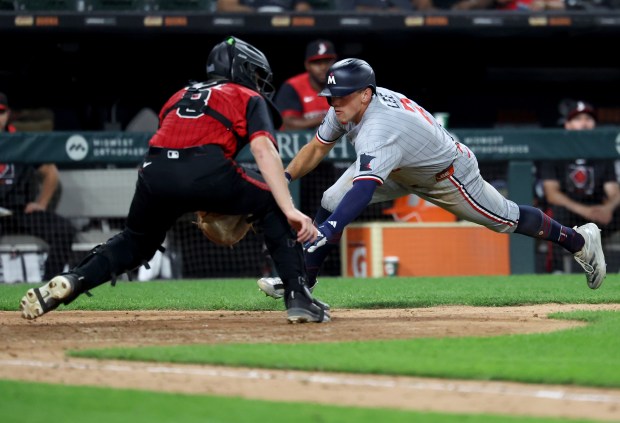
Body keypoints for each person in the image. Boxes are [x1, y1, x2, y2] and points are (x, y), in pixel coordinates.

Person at [19, 36, 330, 324]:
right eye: (257, 75)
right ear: (242, 70)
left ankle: (73, 280)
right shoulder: (247, 95)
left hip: (153, 171)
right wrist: (288, 208)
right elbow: (263, 149)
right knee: (272, 205)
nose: (260, 84)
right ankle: (298, 296)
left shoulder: (179, 94)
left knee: (135, 241)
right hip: (206, 166)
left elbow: (174, 144)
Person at [257, 58, 607, 300]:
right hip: (398, 166)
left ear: (366, 93)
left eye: (342, 96)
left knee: (506, 219)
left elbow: (364, 190)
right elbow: (317, 148)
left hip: (446, 174)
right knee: (332, 198)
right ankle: (303, 282)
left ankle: (579, 241)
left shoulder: (379, 128)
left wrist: (330, 229)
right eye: (331, 97)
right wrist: (284, 176)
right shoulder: (347, 105)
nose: (334, 104)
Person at [0, 92, 77, 281]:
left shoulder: (21, 141)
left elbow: (50, 172)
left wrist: (41, 204)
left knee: (64, 229)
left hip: (21, 211)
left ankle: (50, 286)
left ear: (8, 114)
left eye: (0, 112)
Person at [537, 99, 620, 273]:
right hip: (569, 213)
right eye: (578, 119)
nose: (584, 123)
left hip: (598, 213)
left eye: (589, 119)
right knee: (553, 216)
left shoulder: (602, 153)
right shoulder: (555, 151)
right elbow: (552, 194)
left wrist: (607, 209)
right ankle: (556, 270)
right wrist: (585, 211)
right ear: (567, 124)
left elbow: (614, 191)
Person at [274, 39, 337, 131]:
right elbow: (288, 124)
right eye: (317, 63)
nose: (323, 67)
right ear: (307, 65)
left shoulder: (346, 84)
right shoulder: (293, 86)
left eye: (327, 61)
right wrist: (327, 119)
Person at [216, 0, 312, 12]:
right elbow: (224, 5)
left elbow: (304, 7)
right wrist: (255, 13)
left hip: (283, 26)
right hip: (250, 27)